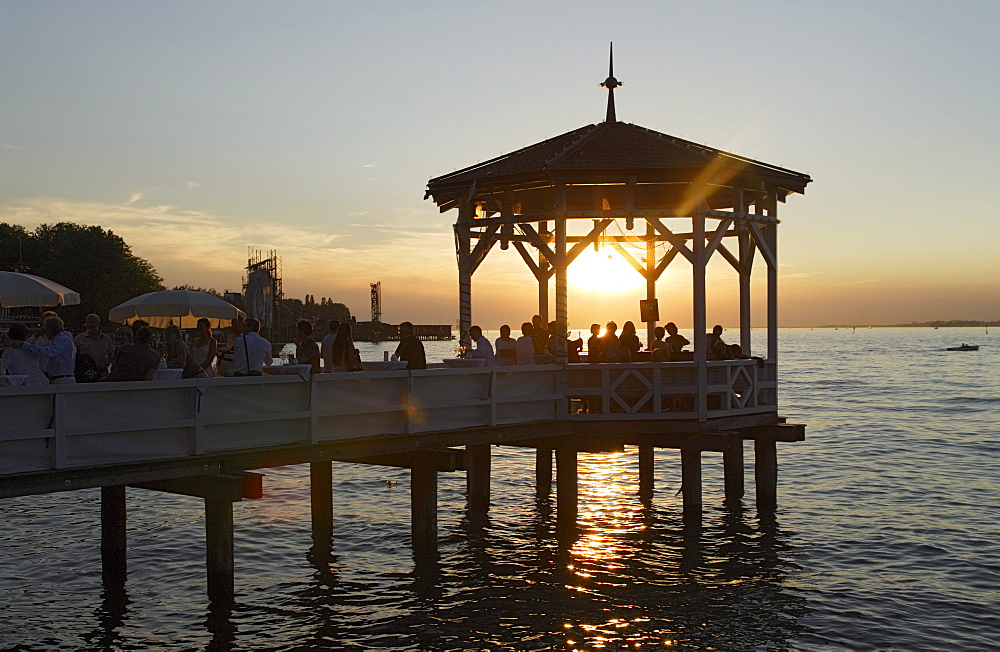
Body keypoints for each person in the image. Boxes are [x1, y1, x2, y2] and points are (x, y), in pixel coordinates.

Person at [15, 315, 76, 384]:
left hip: (62, 379)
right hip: (60, 378)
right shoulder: (62, 339)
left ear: (50, 329)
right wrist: (35, 336)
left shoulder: (61, 340)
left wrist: (23, 344)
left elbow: (46, 352)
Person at [73, 314, 114, 380]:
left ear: (98, 324)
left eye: (92, 322)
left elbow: (111, 354)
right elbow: (73, 356)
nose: (89, 325)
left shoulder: (106, 338)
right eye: (87, 322)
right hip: (85, 374)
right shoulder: (79, 339)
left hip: (103, 374)